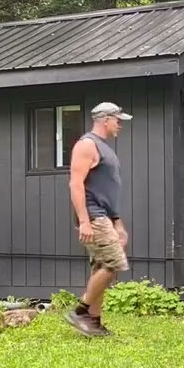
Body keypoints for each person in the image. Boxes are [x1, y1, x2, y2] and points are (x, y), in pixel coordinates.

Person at [66, 102, 132, 336]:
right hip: (94, 216)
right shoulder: (87, 145)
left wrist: (118, 223)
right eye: (117, 120)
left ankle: (93, 321)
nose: (120, 125)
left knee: (101, 268)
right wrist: (84, 220)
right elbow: (75, 184)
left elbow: (108, 190)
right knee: (113, 263)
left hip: (105, 216)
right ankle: (80, 310)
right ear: (105, 120)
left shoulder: (105, 148)